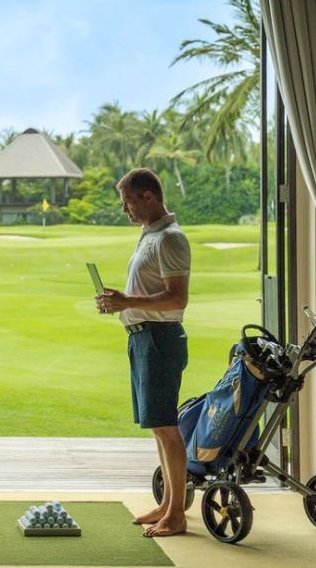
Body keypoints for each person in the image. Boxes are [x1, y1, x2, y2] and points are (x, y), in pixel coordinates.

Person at [95, 168, 191, 538]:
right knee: (157, 425)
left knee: (166, 426)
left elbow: (177, 297)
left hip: (159, 339)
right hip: (141, 336)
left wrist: (126, 301)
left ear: (148, 197)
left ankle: (178, 515)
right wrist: (122, 304)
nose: (125, 210)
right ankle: (168, 505)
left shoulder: (170, 238)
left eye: (128, 202)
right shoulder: (149, 235)